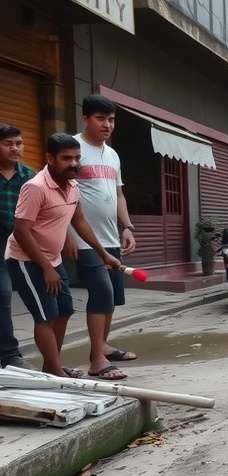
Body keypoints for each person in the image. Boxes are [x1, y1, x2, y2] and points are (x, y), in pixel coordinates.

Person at [5, 133, 121, 378]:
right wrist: (46, 268)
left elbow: (79, 221)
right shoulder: (35, 187)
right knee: (45, 315)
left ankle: (52, 366)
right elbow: (21, 231)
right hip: (25, 260)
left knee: (65, 310)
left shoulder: (73, 185)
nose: (74, 163)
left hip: (53, 259)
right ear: (50, 158)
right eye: (66, 158)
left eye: (77, 158)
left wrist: (103, 254)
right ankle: (55, 371)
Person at [65, 94, 137, 380]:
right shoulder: (72, 148)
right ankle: (96, 360)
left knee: (113, 297)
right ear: (85, 118)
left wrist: (128, 226)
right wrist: (67, 233)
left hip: (110, 238)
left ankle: (103, 346)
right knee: (102, 293)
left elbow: (118, 194)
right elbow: (61, 192)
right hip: (83, 238)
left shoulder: (112, 154)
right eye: (100, 119)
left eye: (111, 119)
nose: (107, 125)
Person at [0, 124, 36, 369]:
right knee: (3, 294)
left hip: (21, 242)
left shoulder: (29, 176)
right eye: (8, 143)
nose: (15, 148)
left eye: (19, 143)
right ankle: (10, 354)